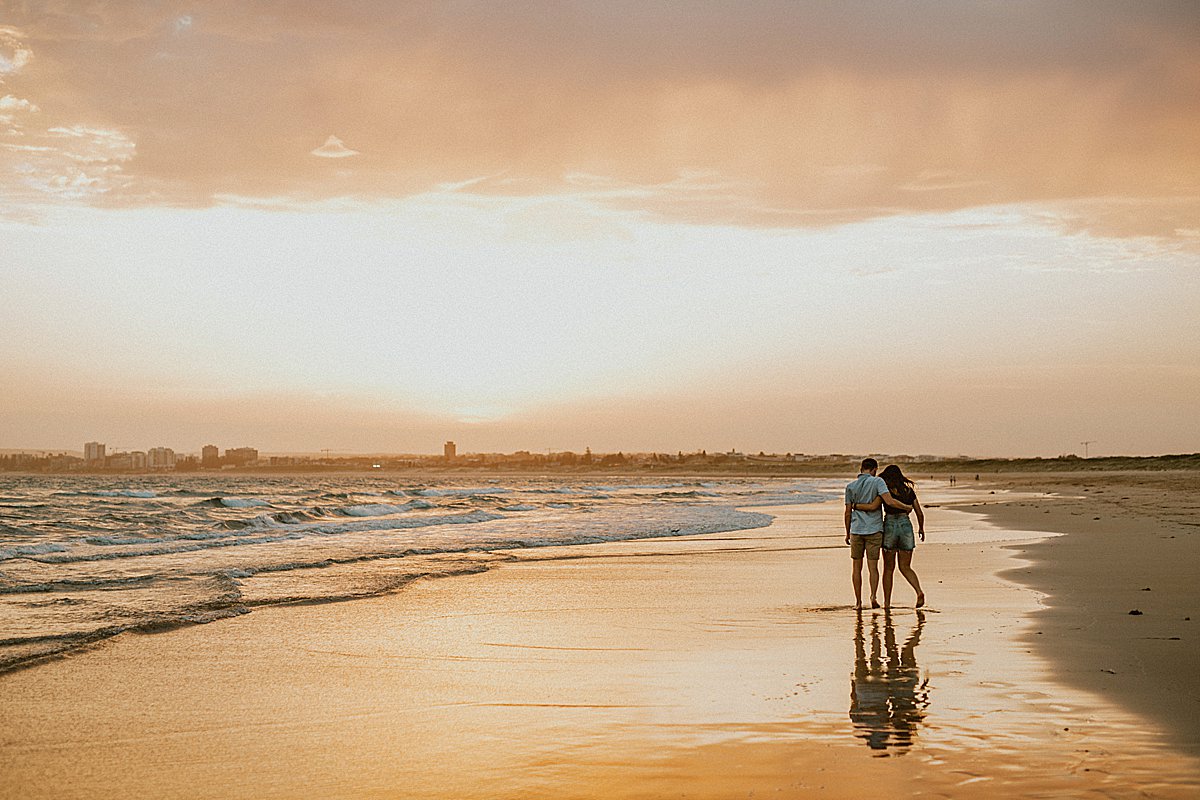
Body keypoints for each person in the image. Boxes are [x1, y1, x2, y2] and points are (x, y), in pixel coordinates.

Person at [845, 458, 912, 609]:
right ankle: (873, 596)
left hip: (856, 529)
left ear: (861, 468)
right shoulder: (877, 482)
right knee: (873, 566)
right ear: (874, 469)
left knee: (856, 567)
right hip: (874, 529)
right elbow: (889, 502)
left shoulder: (850, 487)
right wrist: (906, 507)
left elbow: (847, 513)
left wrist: (847, 532)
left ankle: (858, 602)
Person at [876, 464, 925, 608]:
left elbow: (875, 507)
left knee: (888, 568)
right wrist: (921, 528)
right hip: (906, 526)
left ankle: (887, 603)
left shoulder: (886, 491)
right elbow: (919, 512)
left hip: (890, 525)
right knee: (905, 566)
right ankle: (919, 591)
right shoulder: (909, 491)